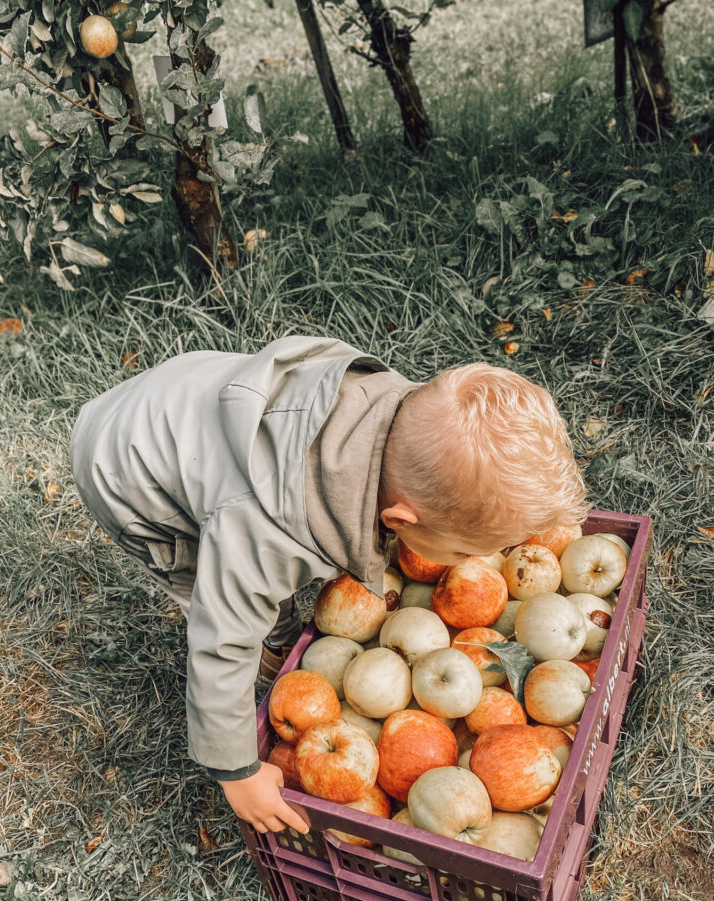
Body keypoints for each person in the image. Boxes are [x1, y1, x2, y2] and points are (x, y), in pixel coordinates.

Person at [69, 334, 588, 837]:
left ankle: (274, 628)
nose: (475, 562)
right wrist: (237, 771)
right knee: (213, 581)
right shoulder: (264, 531)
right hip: (128, 472)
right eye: (461, 551)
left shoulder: (393, 416)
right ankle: (266, 633)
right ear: (400, 517)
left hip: (189, 395)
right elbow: (219, 637)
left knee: (248, 578)